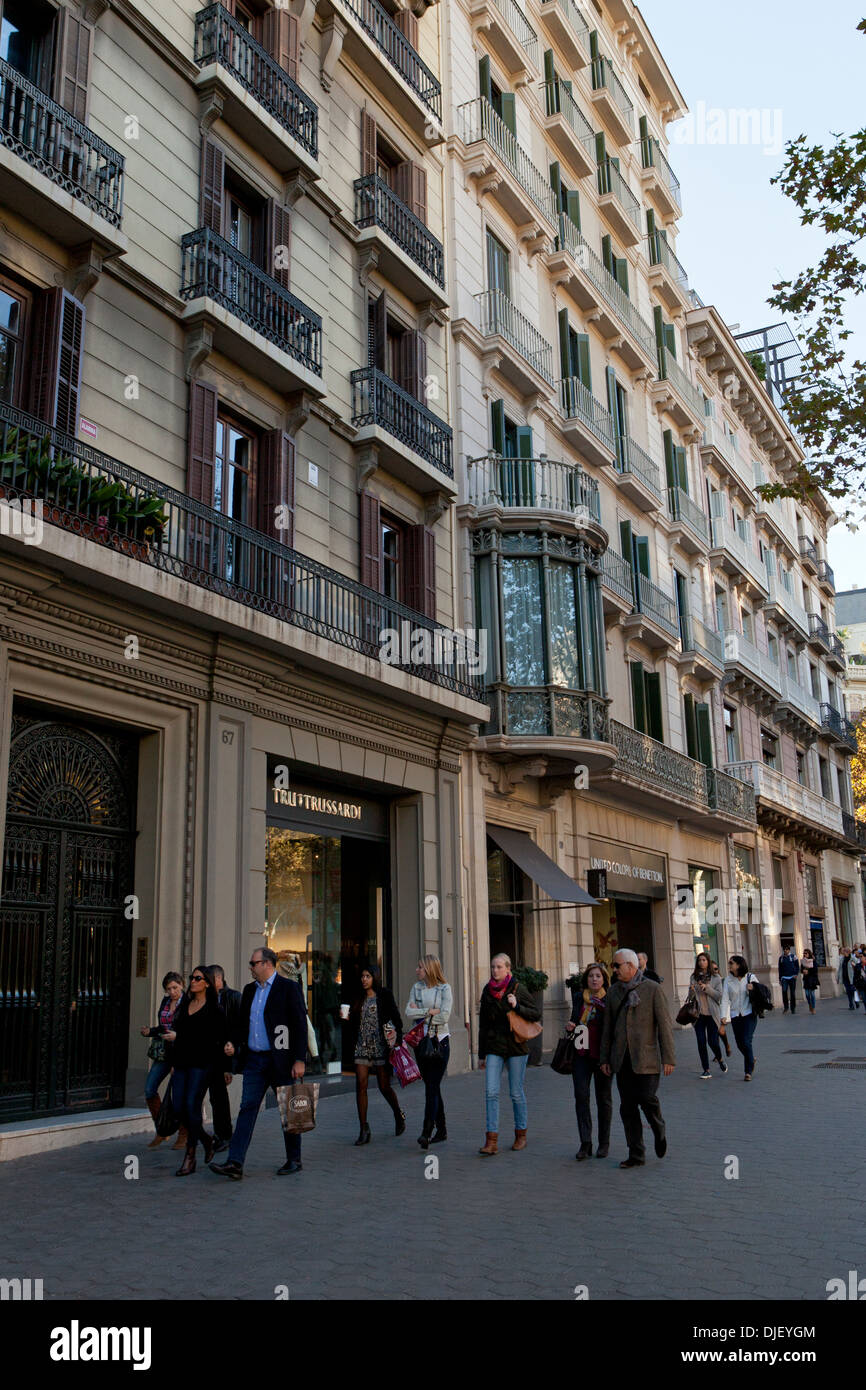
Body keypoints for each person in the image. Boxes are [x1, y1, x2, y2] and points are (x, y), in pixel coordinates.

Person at [210, 946, 308, 1180]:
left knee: (289, 1109)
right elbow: (242, 1025)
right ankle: (235, 1163)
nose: (251, 968)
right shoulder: (249, 991)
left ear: (267, 964)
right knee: (247, 1109)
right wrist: (233, 1043)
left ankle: (294, 1159)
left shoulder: (288, 988)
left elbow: (299, 1025)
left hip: (281, 1061)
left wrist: (299, 1059)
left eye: (253, 963)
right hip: (255, 1061)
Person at [599, 949, 675, 1168]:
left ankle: (658, 1127)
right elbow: (607, 1029)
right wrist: (605, 1058)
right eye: (613, 966)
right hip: (622, 1059)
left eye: (617, 965)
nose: (613, 970)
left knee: (647, 1098)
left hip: (646, 1057)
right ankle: (636, 1154)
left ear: (631, 967)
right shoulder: (613, 992)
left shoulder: (652, 989)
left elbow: (665, 1026)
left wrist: (668, 1057)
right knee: (628, 1107)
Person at [162, 966, 228, 1176]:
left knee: (192, 1105)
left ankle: (190, 1156)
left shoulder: (214, 1009)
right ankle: (206, 1139)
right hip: (181, 1063)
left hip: (202, 1065)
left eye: (197, 978)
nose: (193, 980)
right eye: (191, 977)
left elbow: (213, 1040)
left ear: (207, 983)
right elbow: (178, 1033)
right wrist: (173, 1062)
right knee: (180, 1108)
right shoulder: (185, 1005)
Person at [478, 953, 541, 1155]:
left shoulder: (517, 988)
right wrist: (481, 1054)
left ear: (507, 969)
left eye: (498, 967)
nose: (495, 971)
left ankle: (521, 1134)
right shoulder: (487, 991)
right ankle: (491, 1140)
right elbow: (483, 1025)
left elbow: (535, 1013)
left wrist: (517, 1005)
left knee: (515, 1092)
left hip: (515, 1047)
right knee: (491, 1092)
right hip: (495, 1047)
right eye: (492, 967)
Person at [349, 966, 405, 1144]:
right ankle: (363, 1128)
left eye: (368, 976)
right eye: (362, 976)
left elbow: (397, 1019)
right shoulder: (359, 997)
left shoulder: (384, 995)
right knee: (361, 1085)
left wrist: (397, 1041)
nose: (364, 979)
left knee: (384, 1086)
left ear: (375, 978)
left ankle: (398, 1113)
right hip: (362, 1046)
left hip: (380, 1046)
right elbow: (354, 1022)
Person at [405, 955, 452, 1148]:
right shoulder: (416, 988)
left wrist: (423, 1011)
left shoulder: (444, 988)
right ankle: (441, 1129)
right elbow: (408, 1012)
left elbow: (445, 1016)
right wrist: (429, 1011)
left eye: (420, 967)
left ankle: (427, 1131)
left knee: (432, 1087)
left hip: (440, 1043)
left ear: (430, 969)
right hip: (422, 1044)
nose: (417, 970)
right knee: (433, 1087)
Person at [566, 963, 611, 1160]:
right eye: (591, 976)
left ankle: (604, 1143)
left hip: (601, 1057)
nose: (594, 979)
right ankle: (585, 1143)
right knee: (581, 1098)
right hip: (581, 1055)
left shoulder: (608, 999)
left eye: (598, 976)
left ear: (604, 979)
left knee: (603, 1100)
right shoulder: (579, 998)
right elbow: (574, 1019)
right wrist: (570, 1025)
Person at [140, 971, 184, 1149]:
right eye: (168, 989)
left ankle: (184, 1134)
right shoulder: (166, 1002)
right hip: (164, 1053)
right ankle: (162, 1129)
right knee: (150, 1088)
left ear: (181, 984)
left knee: (180, 1096)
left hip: (181, 1054)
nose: (172, 992)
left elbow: (192, 1029)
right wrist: (150, 1031)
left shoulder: (188, 1002)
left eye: (175, 987)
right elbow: (163, 1027)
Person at [206, 964, 242, 1153]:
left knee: (219, 1097)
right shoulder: (205, 997)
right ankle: (220, 1133)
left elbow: (239, 1028)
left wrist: (231, 1063)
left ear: (219, 979)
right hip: (208, 1054)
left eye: (209, 980)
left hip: (224, 1055)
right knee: (214, 1097)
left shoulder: (234, 997)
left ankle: (225, 1135)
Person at [720, 954, 760, 1081]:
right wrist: (723, 1016)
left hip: (749, 1013)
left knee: (746, 1040)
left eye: (731, 963)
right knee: (739, 1043)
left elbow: (761, 992)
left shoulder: (750, 977)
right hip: (735, 1015)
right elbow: (725, 999)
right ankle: (751, 1058)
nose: (729, 965)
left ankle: (748, 1072)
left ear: (738, 964)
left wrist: (752, 988)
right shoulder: (727, 980)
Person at [689, 952, 725, 1078]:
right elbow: (690, 997)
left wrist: (707, 988)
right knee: (701, 1041)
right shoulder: (693, 977)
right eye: (699, 960)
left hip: (712, 1014)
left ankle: (720, 1059)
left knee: (712, 1042)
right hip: (698, 1015)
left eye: (704, 960)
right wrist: (692, 991)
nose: (701, 962)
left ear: (708, 962)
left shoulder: (715, 978)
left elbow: (719, 996)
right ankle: (706, 1069)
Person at [710, 961, 732, 1057]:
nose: (715, 970)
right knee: (714, 1032)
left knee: (720, 1031)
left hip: (723, 1008)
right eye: (713, 969)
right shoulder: (708, 980)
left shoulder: (722, 981)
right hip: (712, 1009)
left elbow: (726, 998)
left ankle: (727, 1045)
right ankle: (717, 1054)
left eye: (716, 968)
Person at [778, 944, 800, 1014]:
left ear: (789, 950)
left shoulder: (793, 957)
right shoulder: (781, 958)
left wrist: (796, 974)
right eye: (784, 949)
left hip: (792, 977)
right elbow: (780, 969)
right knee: (784, 992)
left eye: (787, 949)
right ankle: (786, 1007)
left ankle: (793, 1008)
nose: (785, 950)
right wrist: (780, 978)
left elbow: (797, 966)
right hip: (784, 978)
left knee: (792, 993)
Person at [801, 949, 819, 1015]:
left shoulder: (813, 961)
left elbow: (815, 970)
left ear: (809, 954)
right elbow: (801, 969)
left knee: (812, 994)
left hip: (812, 979)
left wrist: (808, 971)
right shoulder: (803, 961)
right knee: (807, 994)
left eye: (806, 953)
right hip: (806, 979)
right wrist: (803, 971)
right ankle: (810, 1004)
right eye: (804, 953)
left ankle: (813, 1008)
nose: (805, 954)